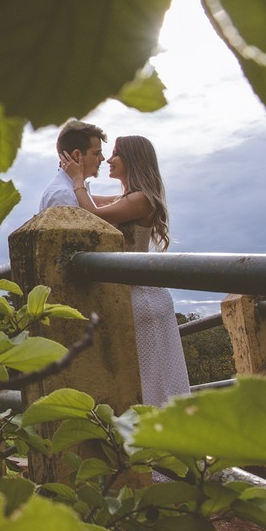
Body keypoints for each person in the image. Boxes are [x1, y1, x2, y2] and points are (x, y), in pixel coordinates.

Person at [61, 135, 190, 407]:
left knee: (154, 381)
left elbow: (94, 213)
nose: (109, 159)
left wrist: (77, 181)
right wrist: (66, 182)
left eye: (116, 154)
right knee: (147, 379)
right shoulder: (128, 198)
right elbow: (83, 202)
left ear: (131, 159)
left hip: (143, 300)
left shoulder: (142, 199)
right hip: (136, 298)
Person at [40, 120, 108, 211]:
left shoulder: (72, 189)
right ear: (76, 155)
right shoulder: (62, 195)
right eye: (96, 153)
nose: (102, 158)